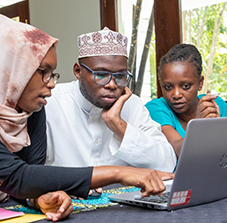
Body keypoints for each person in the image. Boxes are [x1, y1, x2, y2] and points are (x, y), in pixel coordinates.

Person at [0, 13, 173, 221]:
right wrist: (120, 173)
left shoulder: (29, 109)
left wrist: (39, 198)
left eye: (52, 73)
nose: (51, 83)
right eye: (42, 71)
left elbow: (28, 178)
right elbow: (17, 177)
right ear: (12, 68)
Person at [45, 27, 177, 173]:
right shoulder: (50, 102)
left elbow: (167, 164)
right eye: (101, 75)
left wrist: (118, 125)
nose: (112, 85)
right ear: (78, 71)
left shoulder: (133, 105)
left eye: (120, 76)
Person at [145, 44, 227, 158]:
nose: (176, 94)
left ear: (200, 83)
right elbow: (178, 150)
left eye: (186, 86)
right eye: (168, 87)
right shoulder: (156, 108)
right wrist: (200, 124)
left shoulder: (216, 105)